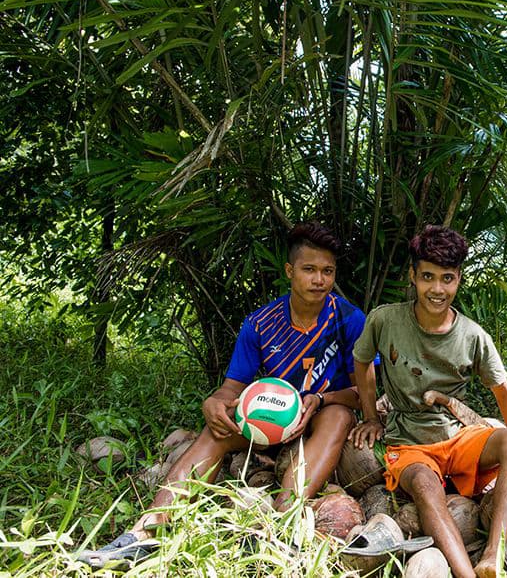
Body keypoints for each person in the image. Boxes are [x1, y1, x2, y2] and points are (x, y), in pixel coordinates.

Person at [81, 221, 366, 568]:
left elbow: (363, 393)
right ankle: (148, 532)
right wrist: (213, 403)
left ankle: (280, 527)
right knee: (220, 425)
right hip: (273, 423)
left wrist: (322, 399)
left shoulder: (349, 320)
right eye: (309, 270)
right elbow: (232, 388)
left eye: (327, 271)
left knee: (338, 416)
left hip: (323, 420)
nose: (319, 280)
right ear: (290, 271)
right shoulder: (260, 323)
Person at [348, 226, 507, 578]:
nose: (437, 289)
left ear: (458, 279)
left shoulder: (473, 335)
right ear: (413, 276)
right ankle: (465, 573)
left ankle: (493, 555)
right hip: (409, 444)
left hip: (458, 438)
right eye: (427, 277)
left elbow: (503, 393)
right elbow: (361, 363)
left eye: (447, 278)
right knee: (425, 486)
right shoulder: (385, 320)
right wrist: (370, 416)